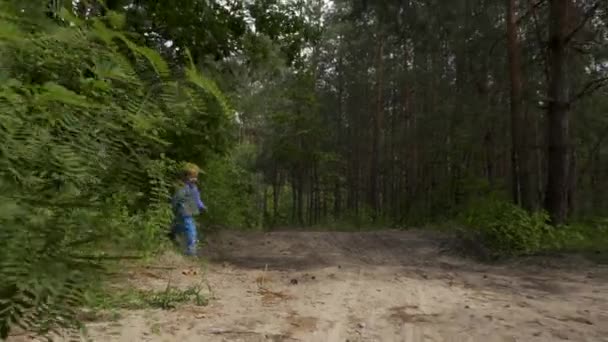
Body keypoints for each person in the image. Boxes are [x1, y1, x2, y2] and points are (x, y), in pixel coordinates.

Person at [169, 162, 206, 256]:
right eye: (191, 177)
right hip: (183, 212)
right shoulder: (183, 189)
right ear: (185, 177)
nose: (194, 179)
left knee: (181, 226)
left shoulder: (194, 188)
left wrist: (201, 206)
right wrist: (173, 207)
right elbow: (176, 198)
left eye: (195, 177)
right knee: (191, 230)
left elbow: (197, 198)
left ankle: (172, 233)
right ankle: (191, 251)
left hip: (189, 212)